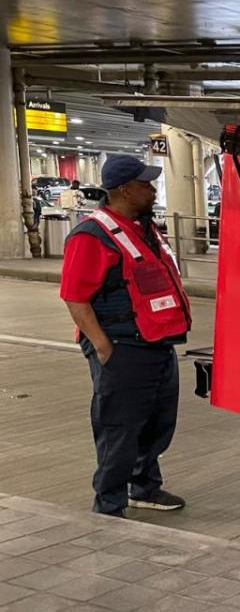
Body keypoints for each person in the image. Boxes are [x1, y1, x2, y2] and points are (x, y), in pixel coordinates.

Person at [59, 155, 191, 517]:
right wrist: (103, 347)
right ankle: (109, 503)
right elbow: (74, 296)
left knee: (157, 422)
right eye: (144, 184)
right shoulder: (92, 236)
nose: (151, 190)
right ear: (123, 190)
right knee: (119, 427)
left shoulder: (145, 229)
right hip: (122, 346)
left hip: (157, 342)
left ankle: (145, 486)